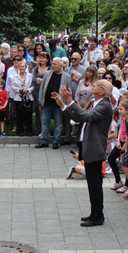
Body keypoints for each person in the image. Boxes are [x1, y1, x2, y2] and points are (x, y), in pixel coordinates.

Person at [52, 79, 115, 226]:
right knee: (93, 184)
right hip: (90, 148)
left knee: (95, 185)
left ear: (102, 92)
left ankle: (97, 216)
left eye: (98, 85)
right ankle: (95, 213)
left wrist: (70, 100)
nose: (94, 84)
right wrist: (63, 104)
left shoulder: (105, 105)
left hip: (95, 149)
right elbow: (79, 117)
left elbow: (85, 116)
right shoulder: (98, 103)